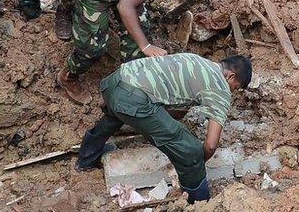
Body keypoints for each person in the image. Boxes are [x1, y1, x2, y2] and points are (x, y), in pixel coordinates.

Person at [57, 0, 218, 103]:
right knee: (93, 46)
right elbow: (125, 6)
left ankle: (129, 79)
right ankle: (68, 76)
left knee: (140, 30)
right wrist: (146, 46)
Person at [76, 53, 249, 202]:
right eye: (236, 87)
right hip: (131, 98)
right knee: (191, 150)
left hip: (114, 82)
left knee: (113, 117)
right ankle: (200, 201)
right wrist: (196, 161)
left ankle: (86, 159)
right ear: (231, 77)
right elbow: (211, 145)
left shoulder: (198, 61)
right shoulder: (221, 87)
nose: (232, 91)